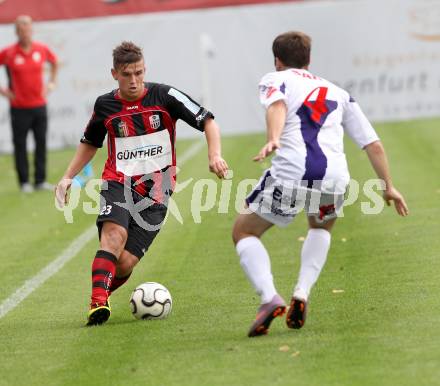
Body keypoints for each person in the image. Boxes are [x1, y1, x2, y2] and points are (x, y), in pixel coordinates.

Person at [232, 31, 409, 337]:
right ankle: (301, 292)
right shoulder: (338, 92)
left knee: (244, 231)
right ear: (309, 59)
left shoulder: (277, 79)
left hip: (292, 172)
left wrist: (274, 138)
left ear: (277, 60)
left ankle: (269, 297)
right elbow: (373, 144)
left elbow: (276, 106)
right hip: (334, 178)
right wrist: (388, 185)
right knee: (320, 227)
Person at [55, 41, 228, 326]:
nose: (133, 80)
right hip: (118, 183)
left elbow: (208, 121)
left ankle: (102, 289)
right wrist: (67, 177)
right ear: (114, 74)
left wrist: (215, 155)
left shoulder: (165, 95)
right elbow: (90, 142)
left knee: (124, 263)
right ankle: (97, 303)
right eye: (126, 75)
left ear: (144, 69)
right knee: (113, 237)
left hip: (157, 190)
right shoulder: (105, 105)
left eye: (138, 73)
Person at [0, 15, 58, 193]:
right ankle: (24, 181)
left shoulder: (41, 49)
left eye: (27, 29)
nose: (25, 33)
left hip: (39, 105)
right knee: (20, 144)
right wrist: (4, 91)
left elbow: (54, 63)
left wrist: (51, 83)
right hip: (19, 107)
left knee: (41, 142)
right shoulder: (9, 52)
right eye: (21, 30)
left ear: (32, 30)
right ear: (17, 32)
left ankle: (40, 180)